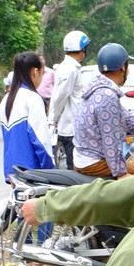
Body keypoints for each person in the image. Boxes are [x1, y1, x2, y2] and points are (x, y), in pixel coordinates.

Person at [73, 42, 134, 178]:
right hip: (94, 162)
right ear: (122, 68)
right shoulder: (107, 96)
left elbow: (128, 119)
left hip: (86, 157)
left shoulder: (98, 89)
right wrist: (121, 173)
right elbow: (110, 138)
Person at [0, 51, 55, 180]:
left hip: (12, 171)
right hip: (32, 171)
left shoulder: (6, 99)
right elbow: (41, 140)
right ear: (35, 71)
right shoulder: (32, 98)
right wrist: (51, 169)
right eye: (42, 73)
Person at [49, 30, 90, 169]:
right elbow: (61, 96)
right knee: (73, 167)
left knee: (73, 165)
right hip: (70, 126)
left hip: (71, 125)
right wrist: (53, 118)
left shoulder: (68, 67)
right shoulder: (70, 69)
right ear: (82, 49)